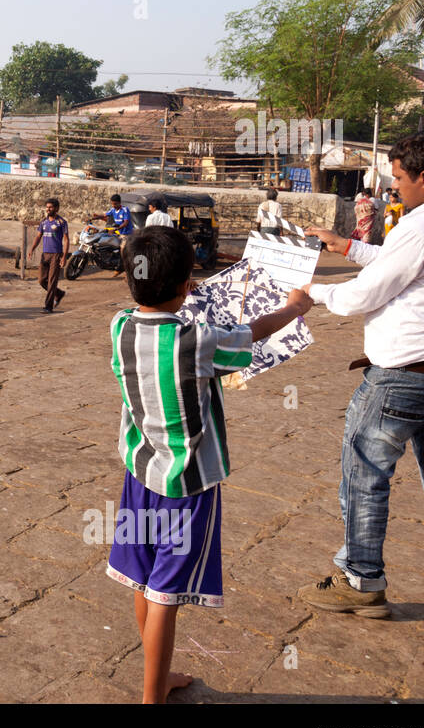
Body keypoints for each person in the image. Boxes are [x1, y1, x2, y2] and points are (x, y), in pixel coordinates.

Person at [108, 225, 310, 703]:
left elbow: (167, 317)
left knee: (143, 576)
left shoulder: (119, 325)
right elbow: (252, 331)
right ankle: (151, 699)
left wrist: (180, 295)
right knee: (167, 594)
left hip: (141, 472)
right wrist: (294, 308)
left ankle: (156, 679)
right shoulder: (198, 341)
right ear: (185, 285)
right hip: (188, 483)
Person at [301, 130, 424, 614]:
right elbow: (407, 264)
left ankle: (361, 578)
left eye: (401, 179)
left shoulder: (422, 228)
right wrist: (346, 246)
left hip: (403, 377)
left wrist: (313, 292)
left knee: (364, 474)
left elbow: (362, 296)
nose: (395, 188)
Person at [27, 197, 68, 312]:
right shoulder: (44, 222)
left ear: (56, 208)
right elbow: (38, 236)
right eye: (47, 207)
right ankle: (58, 293)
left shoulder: (62, 222)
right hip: (45, 255)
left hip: (56, 254)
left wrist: (64, 256)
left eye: (50, 207)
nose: (48, 209)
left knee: (52, 281)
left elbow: (66, 240)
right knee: (41, 280)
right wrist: (32, 249)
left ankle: (48, 307)